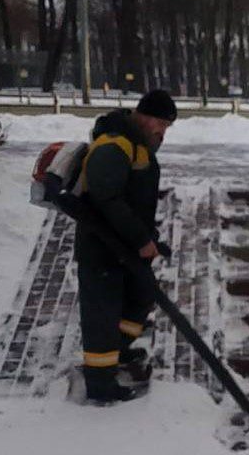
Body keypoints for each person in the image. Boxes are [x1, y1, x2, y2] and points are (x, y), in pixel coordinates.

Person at [74, 89, 177, 402]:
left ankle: (116, 350)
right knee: (102, 314)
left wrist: (148, 238)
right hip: (103, 247)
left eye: (167, 126)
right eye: (161, 123)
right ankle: (100, 383)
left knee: (140, 295)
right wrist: (140, 239)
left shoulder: (136, 144)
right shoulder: (115, 145)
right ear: (144, 116)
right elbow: (107, 198)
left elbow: (133, 198)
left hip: (123, 247)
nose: (163, 131)